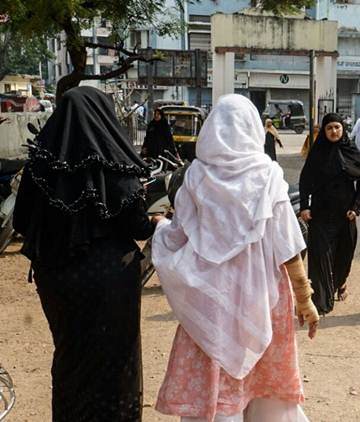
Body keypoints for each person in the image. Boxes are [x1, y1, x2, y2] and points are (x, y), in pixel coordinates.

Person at [151, 94, 320, 422]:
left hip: (211, 300)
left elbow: (179, 235)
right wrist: (305, 300)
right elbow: (288, 247)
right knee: (266, 390)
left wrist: (160, 227)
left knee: (219, 386)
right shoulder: (268, 176)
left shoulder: (196, 176)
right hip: (262, 302)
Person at [13, 86, 160, 421]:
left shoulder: (40, 164)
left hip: (57, 276)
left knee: (71, 356)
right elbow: (136, 226)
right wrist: (156, 222)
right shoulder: (114, 162)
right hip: (111, 275)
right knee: (114, 359)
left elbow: (22, 220)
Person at [299, 113, 360, 314]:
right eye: (329, 128)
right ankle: (321, 302)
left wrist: (356, 208)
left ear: (343, 129)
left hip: (345, 216)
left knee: (343, 257)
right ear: (324, 131)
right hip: (320, 214)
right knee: (320, 257)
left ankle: (340, 282)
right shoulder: (317, 153)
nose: (334, 131)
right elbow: (305, 181)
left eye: (337, 127)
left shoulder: (352, 152)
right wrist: (304, 207)